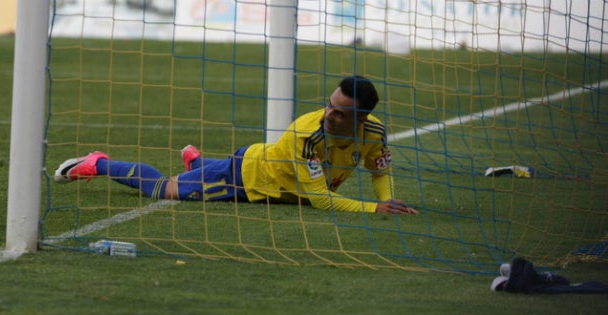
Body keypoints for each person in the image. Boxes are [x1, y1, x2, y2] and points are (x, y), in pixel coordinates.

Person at [55, 76, 418, 214]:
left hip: (279, 184)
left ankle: (197, 163)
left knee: (196, 174)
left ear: (361, 119)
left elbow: (378, 169)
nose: (328, 115)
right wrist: (374, 210)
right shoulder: (306, 136)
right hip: (246, 178)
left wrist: (385, 196)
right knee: (162, 189)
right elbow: (321, 201)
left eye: (339, 113)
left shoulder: (375, 134)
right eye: (329, 104)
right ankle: (98, 163)